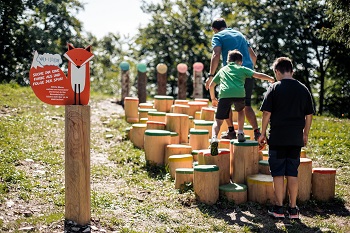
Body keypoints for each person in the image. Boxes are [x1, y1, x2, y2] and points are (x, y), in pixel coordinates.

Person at [258, 57, 314, 219]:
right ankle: (293, 209)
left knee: (277, 173)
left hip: (277, 138)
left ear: (277, 71)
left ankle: (278, 208)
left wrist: (262, 133)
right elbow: (309, 115)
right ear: (292, 71)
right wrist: (305, 134)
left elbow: (267, 113)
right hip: (295, 139)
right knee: (292, 172)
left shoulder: (274, 88)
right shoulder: (303, 89)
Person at [209, 50, 274, 155]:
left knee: (218, 120)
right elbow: (257, 75)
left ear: (228, 61)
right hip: (239, 94)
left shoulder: (223, 70)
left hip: (224, 95)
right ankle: (240, 132)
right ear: (240, 61)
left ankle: (214, 138)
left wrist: (213, 98)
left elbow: (212, 85)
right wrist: (270, 78)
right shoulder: (242, 68)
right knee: (240, 111)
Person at [205, 17, 261, 140]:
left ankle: (231, 131)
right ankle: (257, 133)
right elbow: (254, 56)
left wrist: (211, 75)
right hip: (247, 72)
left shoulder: (218, 36)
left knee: (226, 101)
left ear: (215, 29)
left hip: (230, 74)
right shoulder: (240, 34)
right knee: (246, 104)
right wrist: (248, 70)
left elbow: (216, 54)